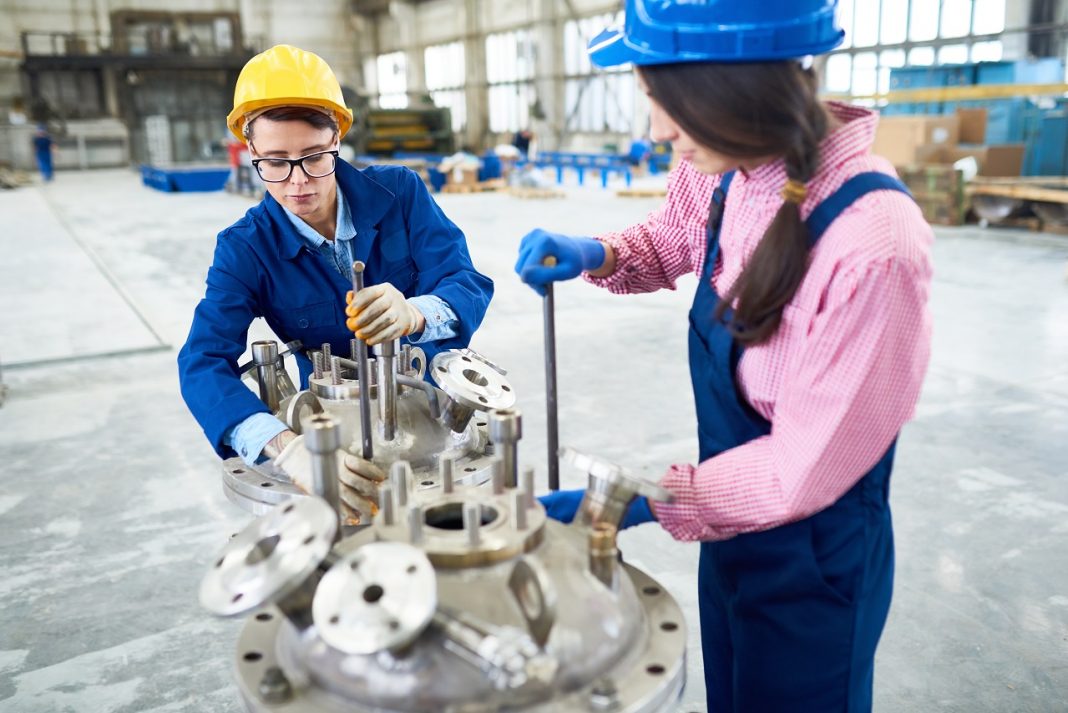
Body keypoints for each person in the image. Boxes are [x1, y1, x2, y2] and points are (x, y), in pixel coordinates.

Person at [515, 2, 933, 711]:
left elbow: (800, 468)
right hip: (730, 528)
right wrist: (602, 251)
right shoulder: (723, 161)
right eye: (650, 98)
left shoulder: (872, 246)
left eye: (669, 102)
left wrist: (643, 497)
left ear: (740, 84)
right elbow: (676, 233)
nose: (658, 130)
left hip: (814, 560)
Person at [178, 45, 493, 519]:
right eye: (275, 162)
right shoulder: (245, 248)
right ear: (252, 154)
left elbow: (464, 281)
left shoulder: (401, 193)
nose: (297, 181)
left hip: (427, 418)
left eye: (313, 157)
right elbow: (202, 362)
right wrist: (284, 447)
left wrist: (417, 312)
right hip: (326, 432)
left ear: (338, 138)